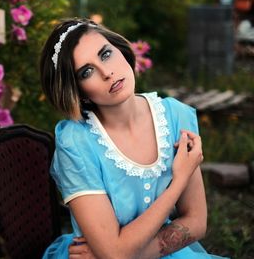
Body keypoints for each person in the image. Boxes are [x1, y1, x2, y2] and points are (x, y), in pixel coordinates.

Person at [39, 18, 229, 259]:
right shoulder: (75, 142)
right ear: (77, 91)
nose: (107, 73)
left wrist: (133, 255)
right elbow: (113, 254)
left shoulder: (175, 115)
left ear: (120, 49)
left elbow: (197, 221)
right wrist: (178, 181)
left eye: (106, 54)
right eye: (87, 72)